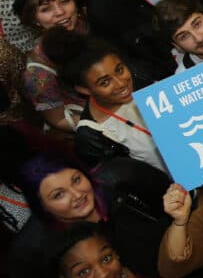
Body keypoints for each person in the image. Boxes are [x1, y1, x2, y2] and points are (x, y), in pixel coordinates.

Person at [10, 153, 171, 278]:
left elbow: (175, 202)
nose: (77, 195)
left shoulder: (122, 177)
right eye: (59, 194)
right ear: (41, 207)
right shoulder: (33, 249)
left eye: (76, 180)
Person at [45, 30, 166, 172]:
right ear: (84, 89)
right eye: (105, 82)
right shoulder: (92, 137)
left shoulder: (143, 82)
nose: (121, 83)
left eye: (120, 70)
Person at [14, 0, 88, 134]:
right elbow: (59, 120)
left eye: (65, 1)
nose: (60, 12)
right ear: (35, 20)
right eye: (46, 9)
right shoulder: (37, 72)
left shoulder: (90, 26)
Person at [49, 221, 151, 278]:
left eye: (106, 258)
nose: (103, 275)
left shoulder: (126, 277)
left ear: (116, 255)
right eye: (84, 272)